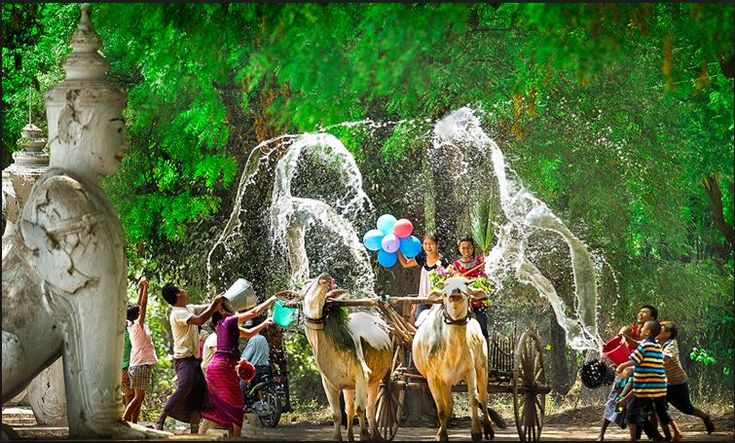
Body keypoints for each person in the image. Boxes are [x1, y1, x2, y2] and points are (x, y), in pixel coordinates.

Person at [200, 297, 276, 437]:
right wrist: (272, 299)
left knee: (225, 404)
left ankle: (227, 435)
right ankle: (236, 437)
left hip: (218, 368)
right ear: (222, 310)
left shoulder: (226, 325)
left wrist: (265, 323)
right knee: (236, 404)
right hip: (223, 367)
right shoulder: (229, 321)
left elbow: (248, 333)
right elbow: (254, 312)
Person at [154, 284, 225, 433]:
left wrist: (220, 302)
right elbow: (200, 320)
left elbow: (207, 308)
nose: (185, 291)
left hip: (193, 361)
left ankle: (194, 432)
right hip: (183, 360)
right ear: (178, 294)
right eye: (181, 289)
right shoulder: (178, 313)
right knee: (184, 386)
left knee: (198, 397)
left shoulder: (189, 308)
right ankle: (160, 419)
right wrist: (214, 305)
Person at [617, 320, 683, 442]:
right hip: (660, 386)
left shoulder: (644, 346)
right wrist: (625, 337)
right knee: (662, 411)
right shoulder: (657, 346)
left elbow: (635, 360)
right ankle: (676, 433)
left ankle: (633, 439)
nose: (640, 330)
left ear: (647, 332)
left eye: (642, 329)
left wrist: (621, 366)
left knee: (632, 412)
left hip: (646, 387)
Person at [658, 321, 715, 434]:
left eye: (660, 328)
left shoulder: (671, 344)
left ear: (668, 334)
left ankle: (705, 417)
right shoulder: (655, 342)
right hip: (664, 382)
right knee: (658, 407)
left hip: (678, 382)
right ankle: (666, 435)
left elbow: (664, 359)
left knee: (686, 408)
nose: (656, 328)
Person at [123, 276, 158, 423]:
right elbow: (142, 305)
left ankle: (132, 423)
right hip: (140, 365)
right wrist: (146, 288)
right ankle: (124, 420)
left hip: (138, 364)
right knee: (138, 398)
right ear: (137, 315)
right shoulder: (137, 325)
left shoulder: (131, 324)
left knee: (137, 397)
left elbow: (138, 306)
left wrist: (141, 288)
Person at [397, 230, 449, 324]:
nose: (428, 247)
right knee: (420, 324)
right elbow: (406, 263)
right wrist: (397, 249)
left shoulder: (443, 262)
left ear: (437, 244)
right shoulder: (422, 258)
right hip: (422, 299)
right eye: (425, 243)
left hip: (437, 300)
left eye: (431, 244)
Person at [453, 235, 489, 341]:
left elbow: (485, 276)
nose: (466, 250)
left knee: (482, 326)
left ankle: (485, 352)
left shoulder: (480, 261)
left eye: (468, 247)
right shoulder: (455, 265)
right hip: (462, 301)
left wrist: (482, 277)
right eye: (463, 248)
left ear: (473, 248)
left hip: (478, 300)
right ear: (459, 249)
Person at [240, 315, 273, 408]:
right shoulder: (263, 339)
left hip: (256, 370)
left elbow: (244, 358)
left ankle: (242, 406)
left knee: (240, 387)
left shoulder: (253, 340)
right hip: (266, 369)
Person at [596, 367, 633, 441]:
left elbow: (629, 384)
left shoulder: (632, 374)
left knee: (629, 415)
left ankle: (633, 437)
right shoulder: (620, 369)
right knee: (608, 413)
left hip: (627, 396)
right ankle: (601, 435)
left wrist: (621, 397)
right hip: (616, 395)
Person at [121, 326, 135, 419]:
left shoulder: (119, 334)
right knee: (131, 396)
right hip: (127, 367)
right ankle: (128, 421)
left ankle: (130, 421)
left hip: (122, 367)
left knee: (130, 395)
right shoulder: (130, 333)